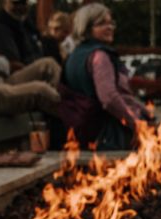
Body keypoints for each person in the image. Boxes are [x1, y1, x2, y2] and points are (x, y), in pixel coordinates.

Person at [60, 3, 150, 150]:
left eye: (111, 23)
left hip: (79, 132)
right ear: (87, 28)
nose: (110, 27)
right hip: (104, 135)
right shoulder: (99, 56)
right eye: (102, 23)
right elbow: (109, 99)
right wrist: (135, 123)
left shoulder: (74, 55)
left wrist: (143, 109)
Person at [0, 0, 44, 72]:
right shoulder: (0, 27)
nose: (20, 7)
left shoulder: (27, 24)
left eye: (23, 3)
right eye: (16, 3)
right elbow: (12, 62)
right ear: (4, 2)